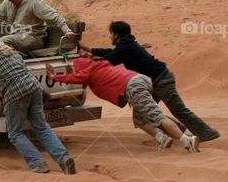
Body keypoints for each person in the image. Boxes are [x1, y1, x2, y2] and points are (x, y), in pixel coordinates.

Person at [79, 21, 220, 142]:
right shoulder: (127, 44)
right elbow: (110, 53)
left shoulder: (126, 47)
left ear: (116, 35)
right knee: (144, 112)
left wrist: (90, 58)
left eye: (111, 34)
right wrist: (87, 49)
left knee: (177, 110)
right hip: (153, 82)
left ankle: (207, 133)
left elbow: (110, 59)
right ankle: (178, 130)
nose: (110, 36)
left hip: (162, 80)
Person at [0, 37, 76, 174]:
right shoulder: (9, 51)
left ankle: (37, 164)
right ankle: (64, 158)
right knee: (42, 128)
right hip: (34, 88)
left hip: (15, 95)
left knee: (15, 133)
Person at [47, 57, 199, 152]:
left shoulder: (89, 72)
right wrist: (70, 72)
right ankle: (161, 138)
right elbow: (79, 78)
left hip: (133, 86)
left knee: (155, 115)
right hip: (140, 80)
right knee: (140, 120)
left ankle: (187, 140)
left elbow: (75, 78)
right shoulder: (99, 66)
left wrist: (54, 76)